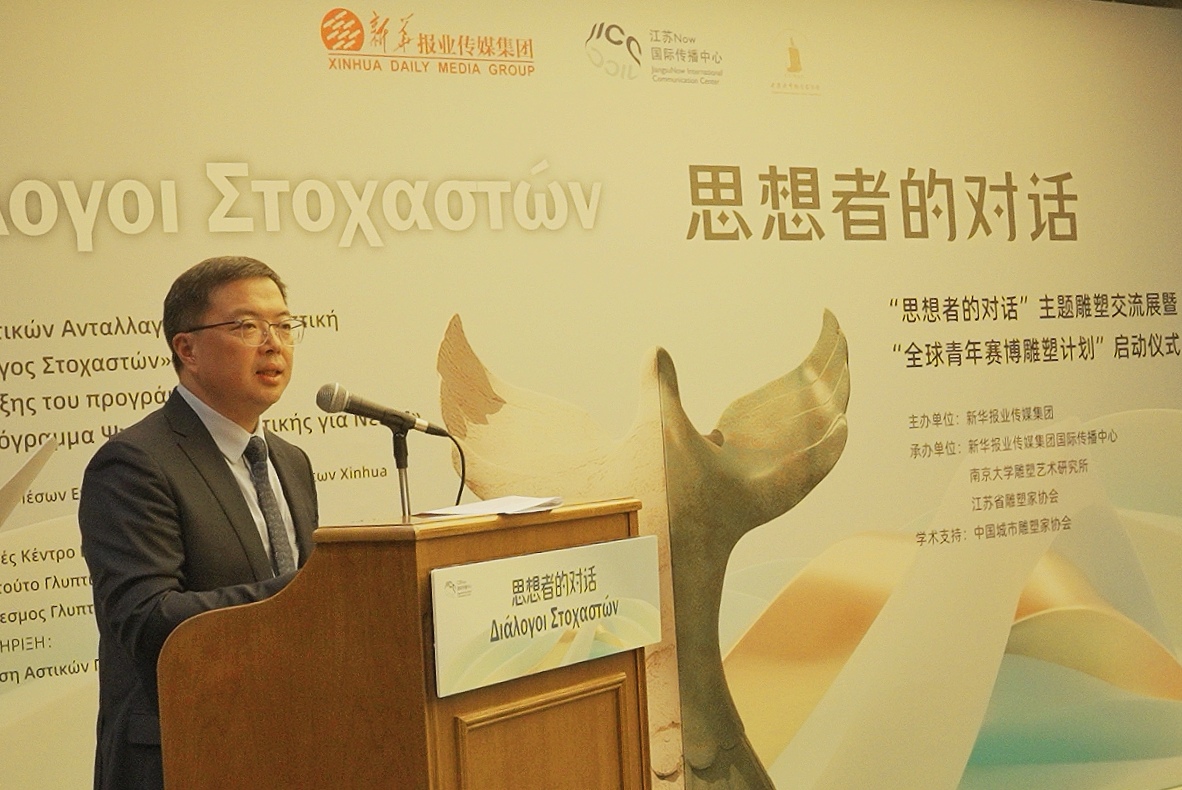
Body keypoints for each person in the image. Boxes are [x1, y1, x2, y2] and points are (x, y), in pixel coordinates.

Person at [79, 256, 319, 790]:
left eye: (284, 325)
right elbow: (148, 618)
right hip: (184, 751)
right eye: (247, 326)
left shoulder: (291, 461)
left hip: (289, 742)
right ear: (186, 349)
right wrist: (306, 592)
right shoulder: (135, 463)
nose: (273, 344)